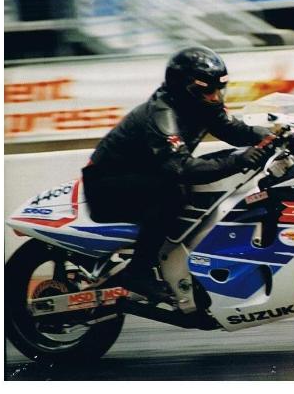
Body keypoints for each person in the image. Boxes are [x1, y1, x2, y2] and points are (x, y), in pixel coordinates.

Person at [81, 46, 275, 302]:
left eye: (219, 89)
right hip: (106, 183)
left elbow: (234, 130)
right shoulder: (162, 115)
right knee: (171, 192)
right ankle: (138, 272)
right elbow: (181, 168)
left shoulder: (202, 102)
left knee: (207, 171)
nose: (215, 97)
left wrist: (272, 134)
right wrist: (238, 161)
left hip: (145, 173)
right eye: (208, 90)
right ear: (183, 87)